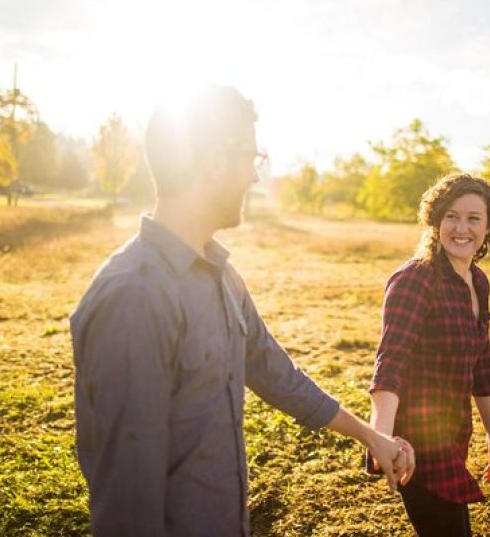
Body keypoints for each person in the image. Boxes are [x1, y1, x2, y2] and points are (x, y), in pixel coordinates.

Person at [70, 85, 414, 536]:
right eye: (252, 158)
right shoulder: (135, 297)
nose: (255, 177)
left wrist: (370, 436)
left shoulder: (222, 275)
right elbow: (127, 505)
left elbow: (276, 373)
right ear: (215, 161)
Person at [369, 173, 490, 537]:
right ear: (435, 222)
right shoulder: (416, 278)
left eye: (474, 218)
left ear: (489, 226)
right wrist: (380, 436)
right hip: (415, 441)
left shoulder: (478, 281)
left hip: (454, 433)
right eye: (451, 216)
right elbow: (391, 360)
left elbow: (482, 364)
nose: (462, 228)